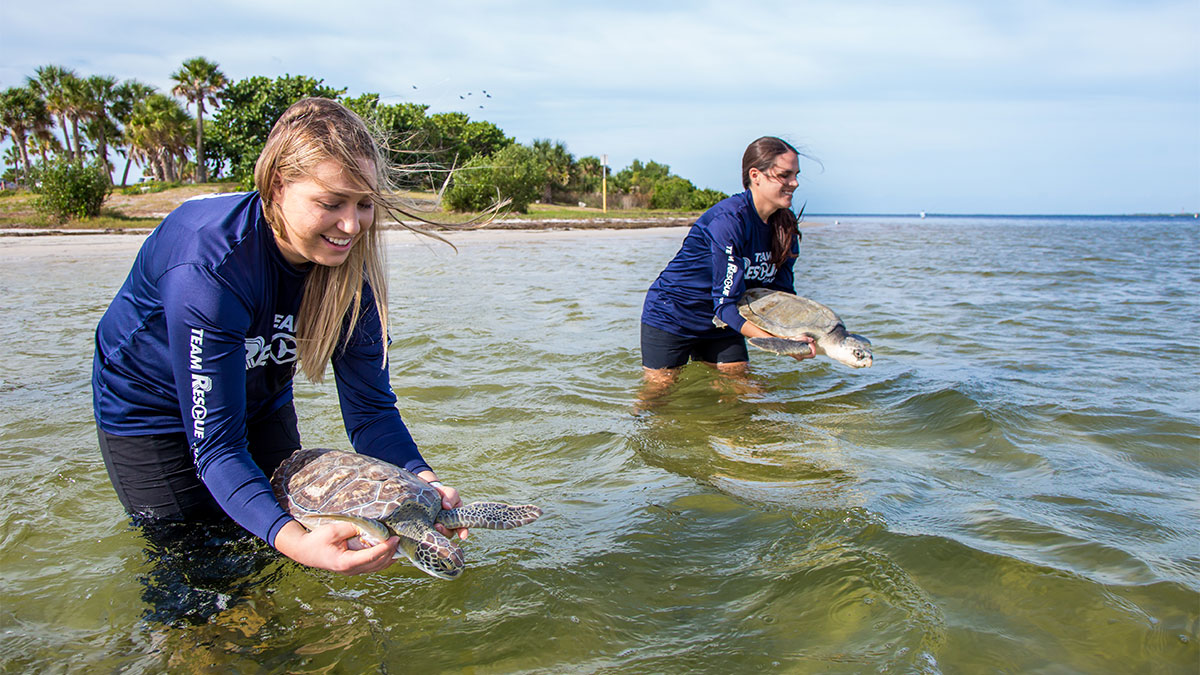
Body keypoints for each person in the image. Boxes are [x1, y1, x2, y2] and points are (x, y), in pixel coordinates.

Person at [93, 97, 466, 578]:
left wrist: (423, 484)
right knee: (196, 571)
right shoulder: (211, 268)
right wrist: (296, 542)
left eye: (365, 203)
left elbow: (371, 412)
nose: (351, 226)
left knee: (270, 560)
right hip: (149, 411)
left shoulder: (352, 273)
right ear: (276, 186)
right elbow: (217, 447)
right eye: (331, 203)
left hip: (260, 397)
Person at [640, 136, 814, 390]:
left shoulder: (785, 227)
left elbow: (781, 296)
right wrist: (780, 344)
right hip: (673, 313)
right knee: (658, 394)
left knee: (742, 388)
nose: (795, 183)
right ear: (756, 175)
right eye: (785, 175)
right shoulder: (729, 221)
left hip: (723, 321)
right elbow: (725, 305)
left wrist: (792, 333)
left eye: (796, 174)